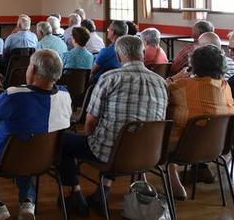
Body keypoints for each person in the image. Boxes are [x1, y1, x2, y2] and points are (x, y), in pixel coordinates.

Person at [59, 36, 168, 216]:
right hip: (150, 153)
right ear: (142, 54)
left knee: (61, 141)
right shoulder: (161, 82)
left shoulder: (109, 78)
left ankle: (76, 193)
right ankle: (103, 191)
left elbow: (90, 121)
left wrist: (91, 138)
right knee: (120, 136)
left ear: (118, 56)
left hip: (113, 152)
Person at [0, 49, 71, 220]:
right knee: (29, 143)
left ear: (34, 70)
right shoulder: (65, 95)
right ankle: (28, 200)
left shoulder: (14, 95)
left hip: (5, 158)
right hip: (45, 158)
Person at [165, 45, 234, 198]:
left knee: (162, 131)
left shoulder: (182, 85)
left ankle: (173, 184)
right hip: (217, 145)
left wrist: (174, 78)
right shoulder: (225, 86)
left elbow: (161, 90)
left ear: (193, 65)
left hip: (183, 146)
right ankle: (201, 170)